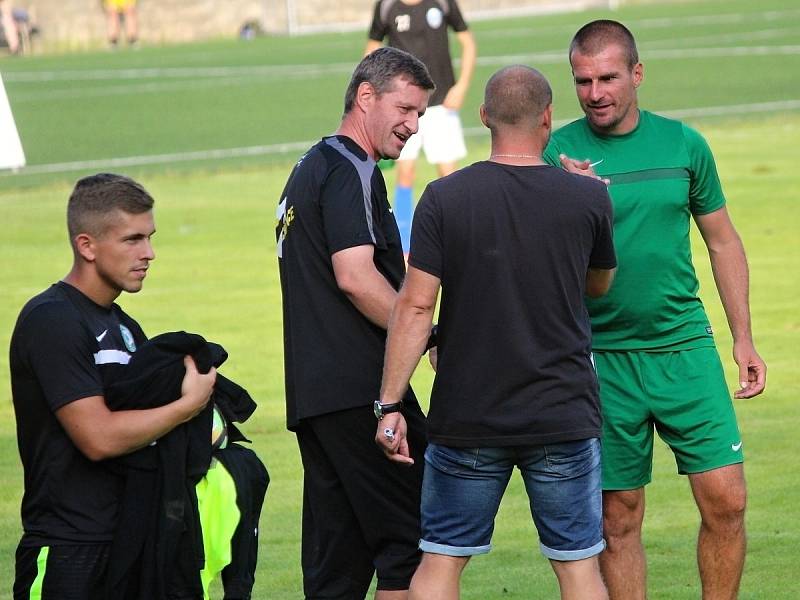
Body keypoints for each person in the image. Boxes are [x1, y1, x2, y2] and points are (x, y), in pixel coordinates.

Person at [543, 20, 768, 600]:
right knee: (618, 517)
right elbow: (531, 256)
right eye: (583, 81)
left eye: (608, 78)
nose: (596, 93)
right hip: (600, 359)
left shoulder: (684, 145)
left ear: (637, 74)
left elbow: (723, 241)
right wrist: (569, 198)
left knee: (728, 501)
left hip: (685, 349)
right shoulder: (555, 152)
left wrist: (742, 339)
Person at [376, 65, 617, 600]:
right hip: (562, 411)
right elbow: (598, 286)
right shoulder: (588, 198)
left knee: (440, 560)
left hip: (468, 415)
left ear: (483, 117)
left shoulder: (443, 198)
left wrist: (389, 403)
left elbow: (416, 308)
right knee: (579, 567)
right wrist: (586, 204)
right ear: (549, 119)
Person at [10, 173, 217, 599]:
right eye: (132, 240)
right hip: (68, 547)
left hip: (129, 540)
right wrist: (186, 406)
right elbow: (98, 438)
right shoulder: (52, 321)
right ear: (87, 245)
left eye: (150, 237)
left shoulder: (125, 327)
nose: (149, 253)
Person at [275, 47, 435, 599]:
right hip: (362, 391)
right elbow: (355, 276)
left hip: (316, 395)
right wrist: (424, 331)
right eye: (406, 109)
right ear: (365, 96)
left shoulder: (310, 166)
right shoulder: (351, 169)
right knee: (414, 546)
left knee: (337, 566)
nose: (413, 127)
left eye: (420, 115)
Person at [365, 0, 477, 253]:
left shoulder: (442, 3)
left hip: (441, 105)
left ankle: (457, 241)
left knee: (449, 177)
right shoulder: (387, 6)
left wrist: (461, 87)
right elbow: (371, 51)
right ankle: (403, 247)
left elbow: (468, 43)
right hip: (402, 108)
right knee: (405, 174)